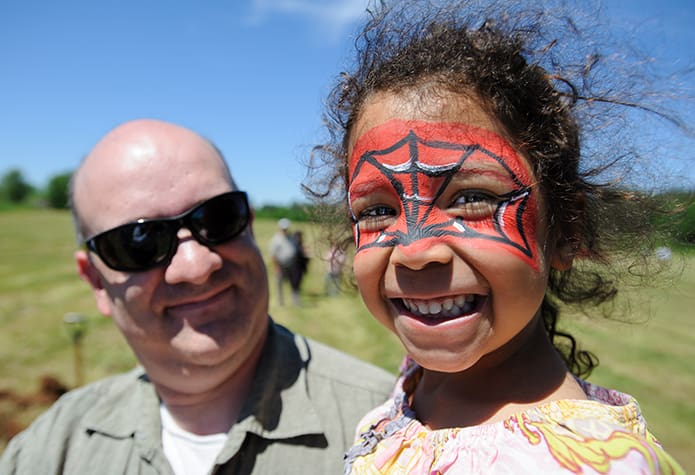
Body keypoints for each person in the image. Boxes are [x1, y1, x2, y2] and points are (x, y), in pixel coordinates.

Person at [304, 1, 686, 473]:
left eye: (472, 198)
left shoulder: (583, 463)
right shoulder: (420, 383)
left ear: (565, 229)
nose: (415, 250)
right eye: (379, 210)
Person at [0, 119, 395, 475]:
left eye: (219, 217)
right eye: (139, 241)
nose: (195, 265)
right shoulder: (52, 450)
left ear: (249, 224)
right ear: (97, 283)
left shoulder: (396, 430)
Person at [269, 218, 300, 305]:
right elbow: (273, 255)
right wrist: (276, 267)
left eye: (286, 228)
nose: (285, 230)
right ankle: (280, 302)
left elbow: (296, 249)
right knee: (279, 283)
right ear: (280, 228)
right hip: (280, 265)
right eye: (283, 229)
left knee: (294, 282)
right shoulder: (276, 239)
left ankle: (296, 301)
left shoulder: (292, 238)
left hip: (292, 264)